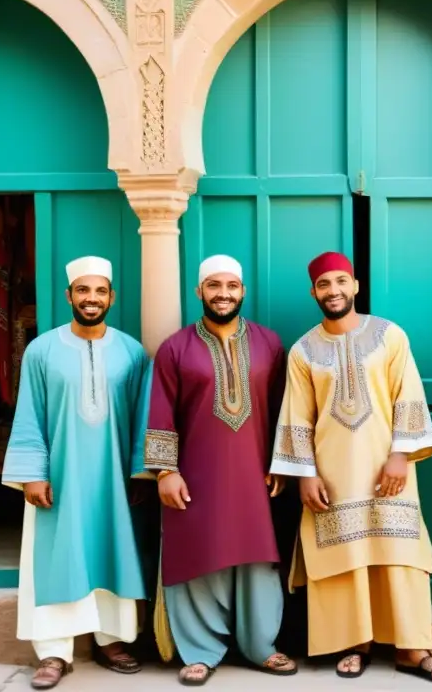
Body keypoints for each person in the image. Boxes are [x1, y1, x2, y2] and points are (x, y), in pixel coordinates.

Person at [268, 251, 432, 683]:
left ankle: (414, 648)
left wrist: (401, 455)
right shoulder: (303, 351)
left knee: (401, 553)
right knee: (344, 555)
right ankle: (355, 645)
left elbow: (408, 394)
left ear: (354, 286)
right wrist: (306, 474)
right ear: (314, 292)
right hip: (332, 473)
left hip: (388, 469)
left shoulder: (388, 335)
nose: (333, 290)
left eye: (340, 281)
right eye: (323, 284)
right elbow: (297, 414)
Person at [145, 255, 296, 685]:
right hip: (194, 473)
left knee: (258, 557)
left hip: (255, 474)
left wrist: (283, 462)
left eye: (232, 285)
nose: (223, 293)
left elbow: (287, 409)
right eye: (214, 285)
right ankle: (199, 651)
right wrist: (164, 471)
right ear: (199, 292)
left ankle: (261, 645)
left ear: (243, 291)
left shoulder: (270, 344)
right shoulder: (176, 348)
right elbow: (161, 411)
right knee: (199, 556)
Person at [1, 256, 151, 689]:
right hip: (59, 478)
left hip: (112, 480)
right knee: (57, 557)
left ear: (111, 297)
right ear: (69, 295)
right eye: (83, 291)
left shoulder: (131, 351)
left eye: (99, 291)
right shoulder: (41, 350)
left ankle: (112, 641)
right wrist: (32, 472)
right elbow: (28, 413)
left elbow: (143, 418)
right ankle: (53, 652)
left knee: (111, 550)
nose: (91, 299)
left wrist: (141, 472)